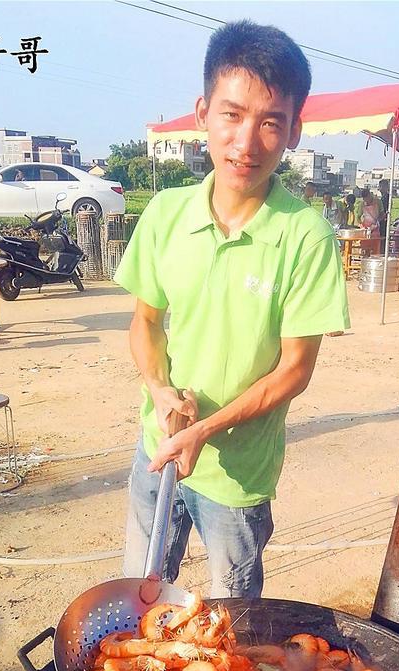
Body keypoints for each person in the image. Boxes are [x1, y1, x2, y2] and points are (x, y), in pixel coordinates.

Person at [113, 20, 349, 597]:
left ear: (294, 131)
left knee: (231, 620)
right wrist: (160, 390)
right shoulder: (166, 213)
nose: (246, 142)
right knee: (139, 601)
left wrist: (209, 429)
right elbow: (144, 320)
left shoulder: (305, 235)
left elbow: (295, 368)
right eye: (232, 114)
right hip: (158, 447)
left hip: (238, 473)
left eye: (270, 122)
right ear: (203, 113)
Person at [357, 187, 383, 256]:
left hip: (375, 228)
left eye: (367, 198)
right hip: (365, 229)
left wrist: (377, 222)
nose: (366, 201)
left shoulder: (378, 202)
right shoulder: (361, 204)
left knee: (375, 248)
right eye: (364, 199)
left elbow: (382, 214)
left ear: (370, 195)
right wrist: (361, 225)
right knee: (365, 248)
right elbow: (358, 217)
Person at [378, 178, 390, 253]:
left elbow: (386, 211)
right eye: (380, 186)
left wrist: (379, 219)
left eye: (381, 186)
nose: (380, 189)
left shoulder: (387, 197)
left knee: (383, 238)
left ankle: (382, 253)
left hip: (384, 222)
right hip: (381, 221)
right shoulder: (382, 197)